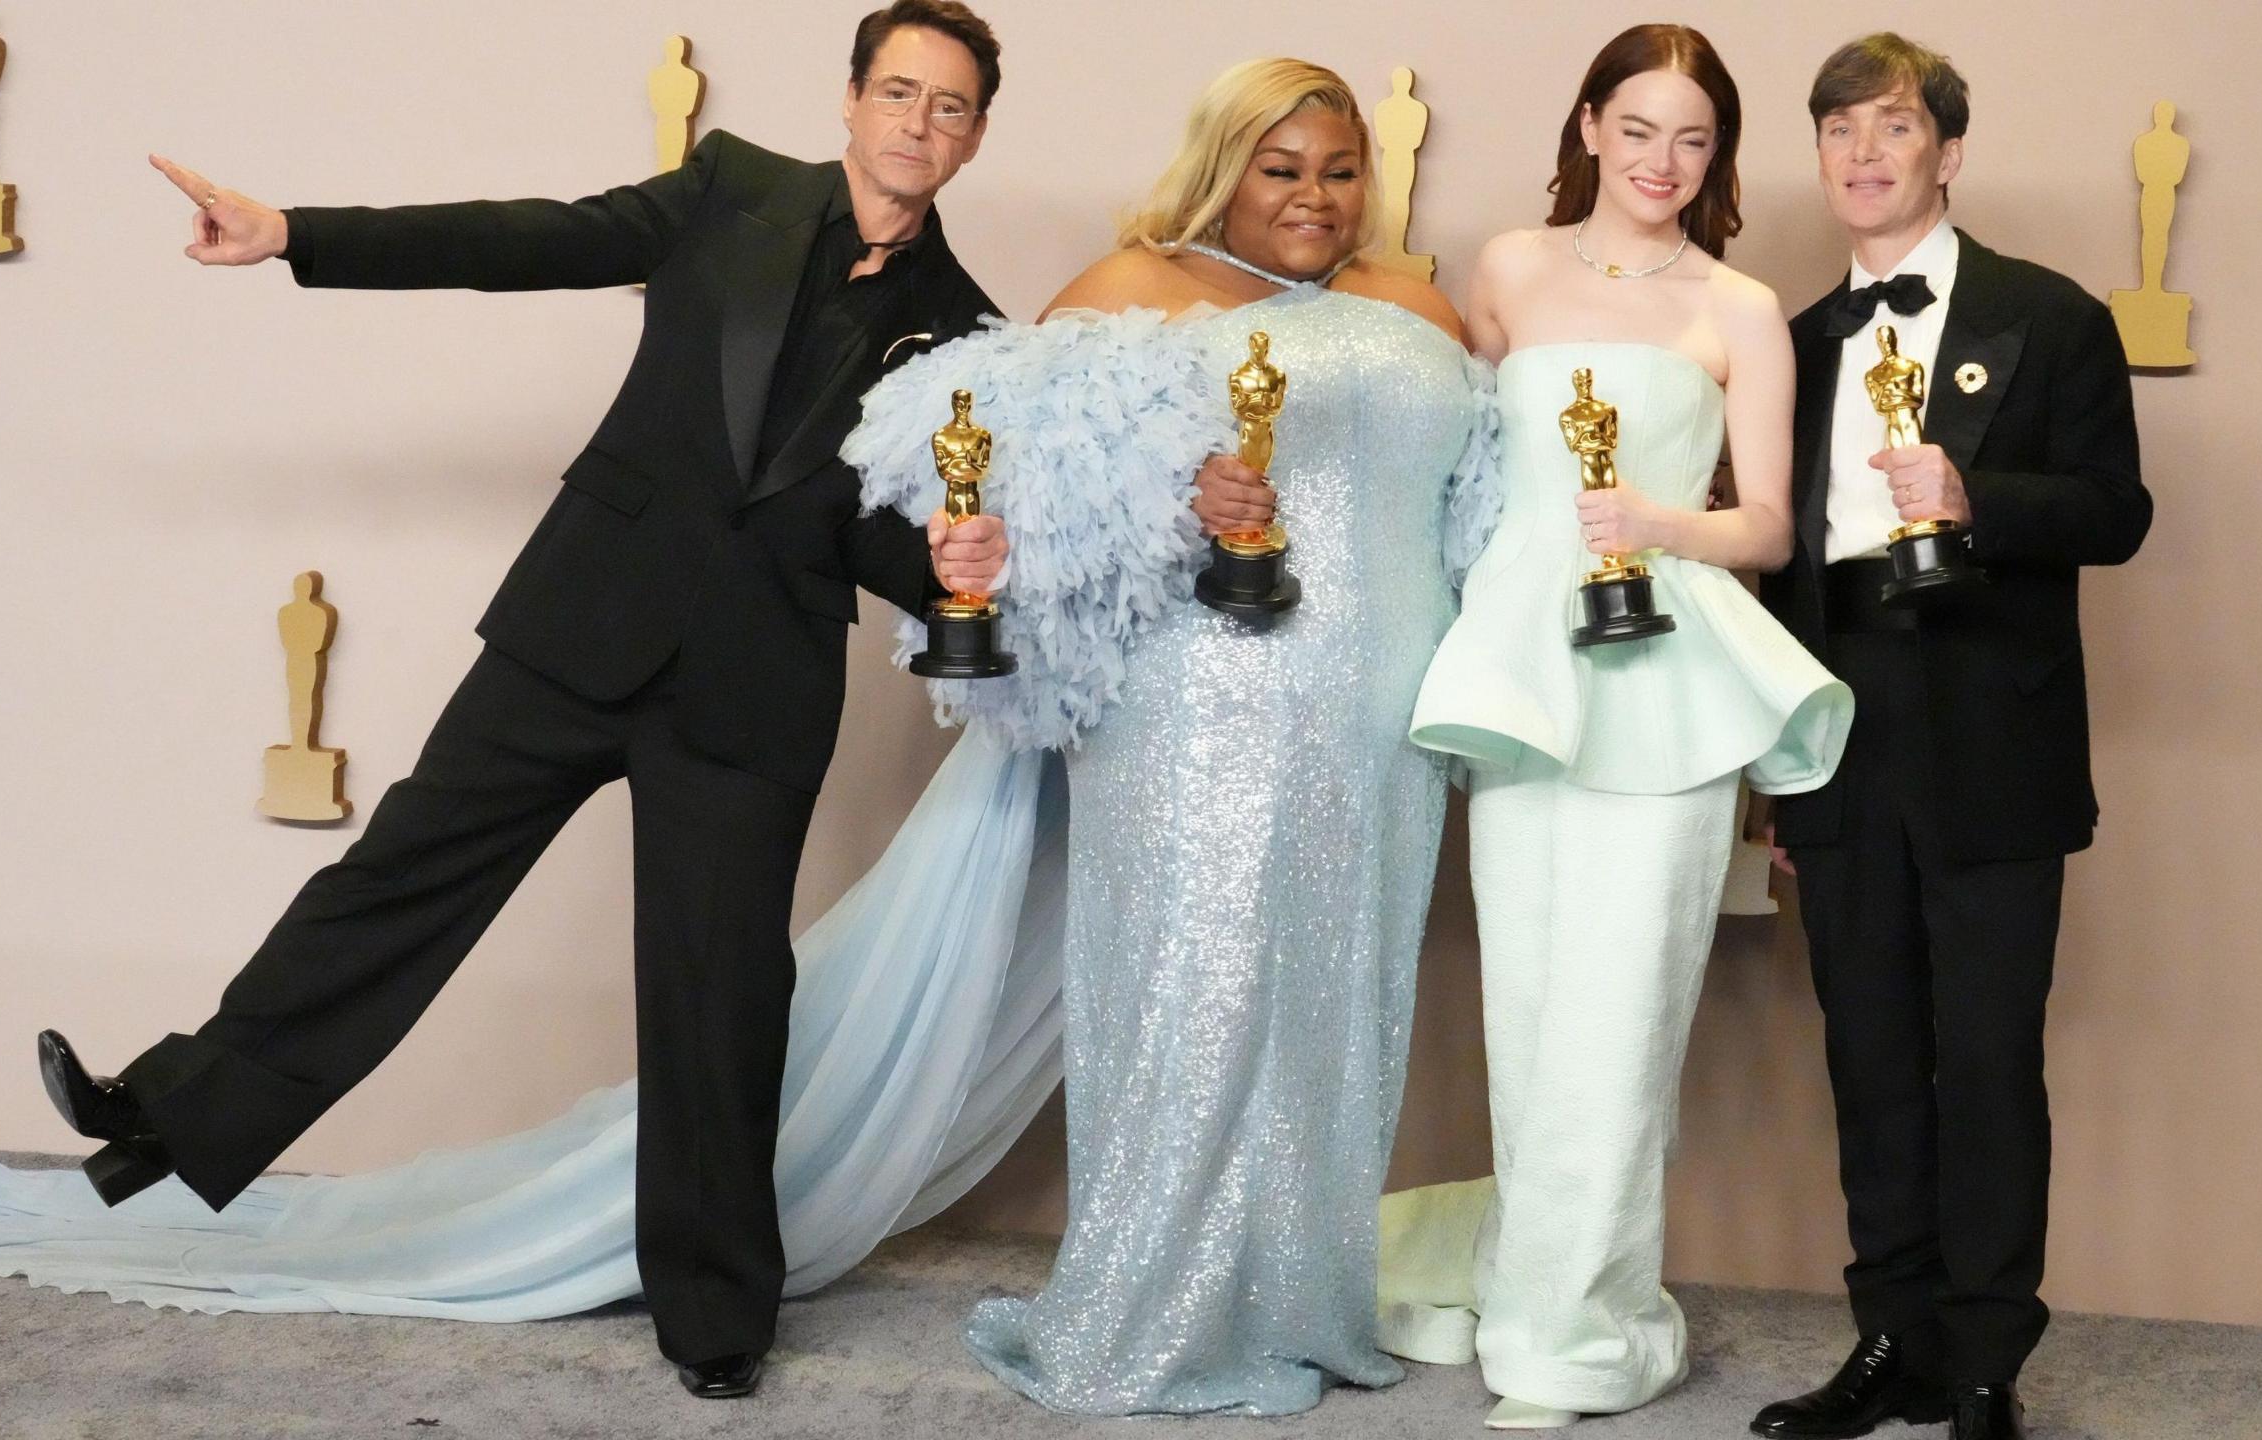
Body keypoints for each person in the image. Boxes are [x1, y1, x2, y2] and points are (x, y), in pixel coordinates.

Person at [23, 0, 1011, 1401]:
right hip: (583, 623)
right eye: (900, 90)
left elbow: (886, 539)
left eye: (951, 105)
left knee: (721, 997)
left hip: (751, 690)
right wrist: (296, 233)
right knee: (399, 880)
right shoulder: (729, 188)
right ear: (851, 99)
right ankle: (169, 1113)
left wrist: (952, 567)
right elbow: (527, 239)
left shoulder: (965, 335)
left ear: (975, 138)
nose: (919, 122)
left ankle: (719, 1313)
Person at [844, 55, 1499, 1416]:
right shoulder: (1133, 289)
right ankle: (1150, 1304)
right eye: (1281, 168)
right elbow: (1038, 507)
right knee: (1193, 989)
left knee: (1345, 992)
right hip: (1199, 698)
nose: (1313, 197)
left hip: (1384, 711)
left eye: (1337, 170)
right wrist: (1169, 484)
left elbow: (1475, 497)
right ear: (1223, 165)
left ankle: (1302, 1301)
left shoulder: (1415, 302)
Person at [1373, 24, 1849, 1429]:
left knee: (1624, 1019)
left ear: (1720, 156)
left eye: (1693, 139)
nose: (1662, 160)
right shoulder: (1508, 270)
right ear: (1589, 126)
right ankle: (1531, 1291)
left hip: (1667, 674)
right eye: (1638, 128)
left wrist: (1658, 523)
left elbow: (1764, 525)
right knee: (1526, 1012)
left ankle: (1583, 1340)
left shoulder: (1744, 305)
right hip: (1526, 672)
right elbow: (1456, 472)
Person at [1750, 33, 2150, 1440]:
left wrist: (1977, 498)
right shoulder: (1793, 343)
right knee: (1866, 1047)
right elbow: (1775, 566)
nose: (1865, 154)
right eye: (1840, 131)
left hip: (1991, 718)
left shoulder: (2053, 318)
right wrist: (1777, 770)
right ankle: (1892, 1342)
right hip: (1843, 713)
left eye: (1895, 128)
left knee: (1985, 1054)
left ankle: (1985, 1362)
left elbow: (2118, 512)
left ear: (1948, 151)